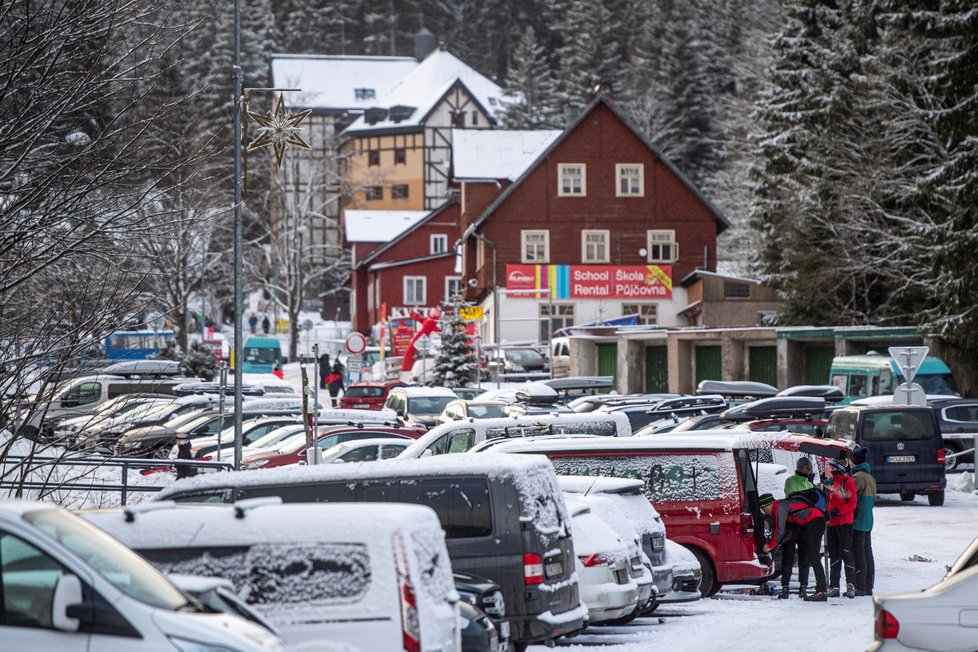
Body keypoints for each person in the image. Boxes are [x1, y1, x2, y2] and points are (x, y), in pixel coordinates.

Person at [760, 492, 828, 601]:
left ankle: (821, 591)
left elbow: (780, 531)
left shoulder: (779, 507)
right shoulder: (782, 505)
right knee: (812, 556)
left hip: (814, 521)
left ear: (768, 505)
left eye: (764, 509)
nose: (765, 512)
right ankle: (821, 590)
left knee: (813, 556)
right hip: (815, 521)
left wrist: (770, 546)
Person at [777, 457, 815, 599]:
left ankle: (803, 586)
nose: (809, 470)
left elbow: (811, 502)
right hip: (792, 523)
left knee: (804, 556)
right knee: (789, 555)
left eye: (810, 468)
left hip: (805, 524)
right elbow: (792, 497)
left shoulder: (809, 483)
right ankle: (785, 586)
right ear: (800, 468)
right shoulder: (790, 481)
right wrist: (806, 498)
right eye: (807, 468)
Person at [824, 458, 858, 598]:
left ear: (837, 468)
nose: (829, 470)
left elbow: (852, 503)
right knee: (834, 555)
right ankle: (834, 586)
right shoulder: (832, 483)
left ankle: (851, 584)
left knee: (846, 553)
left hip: (844, 523)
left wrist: (838, 511)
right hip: (831, 523)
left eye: (831, 467)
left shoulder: (847, 482)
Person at [850, 446, 877, 596]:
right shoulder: (870, 477)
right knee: (867, 552)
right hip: (868, 519)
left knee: (858, 553)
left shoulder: (858, 477)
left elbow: (847, 494)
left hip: (858, 520)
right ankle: (868, 586)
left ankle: (860, 586)